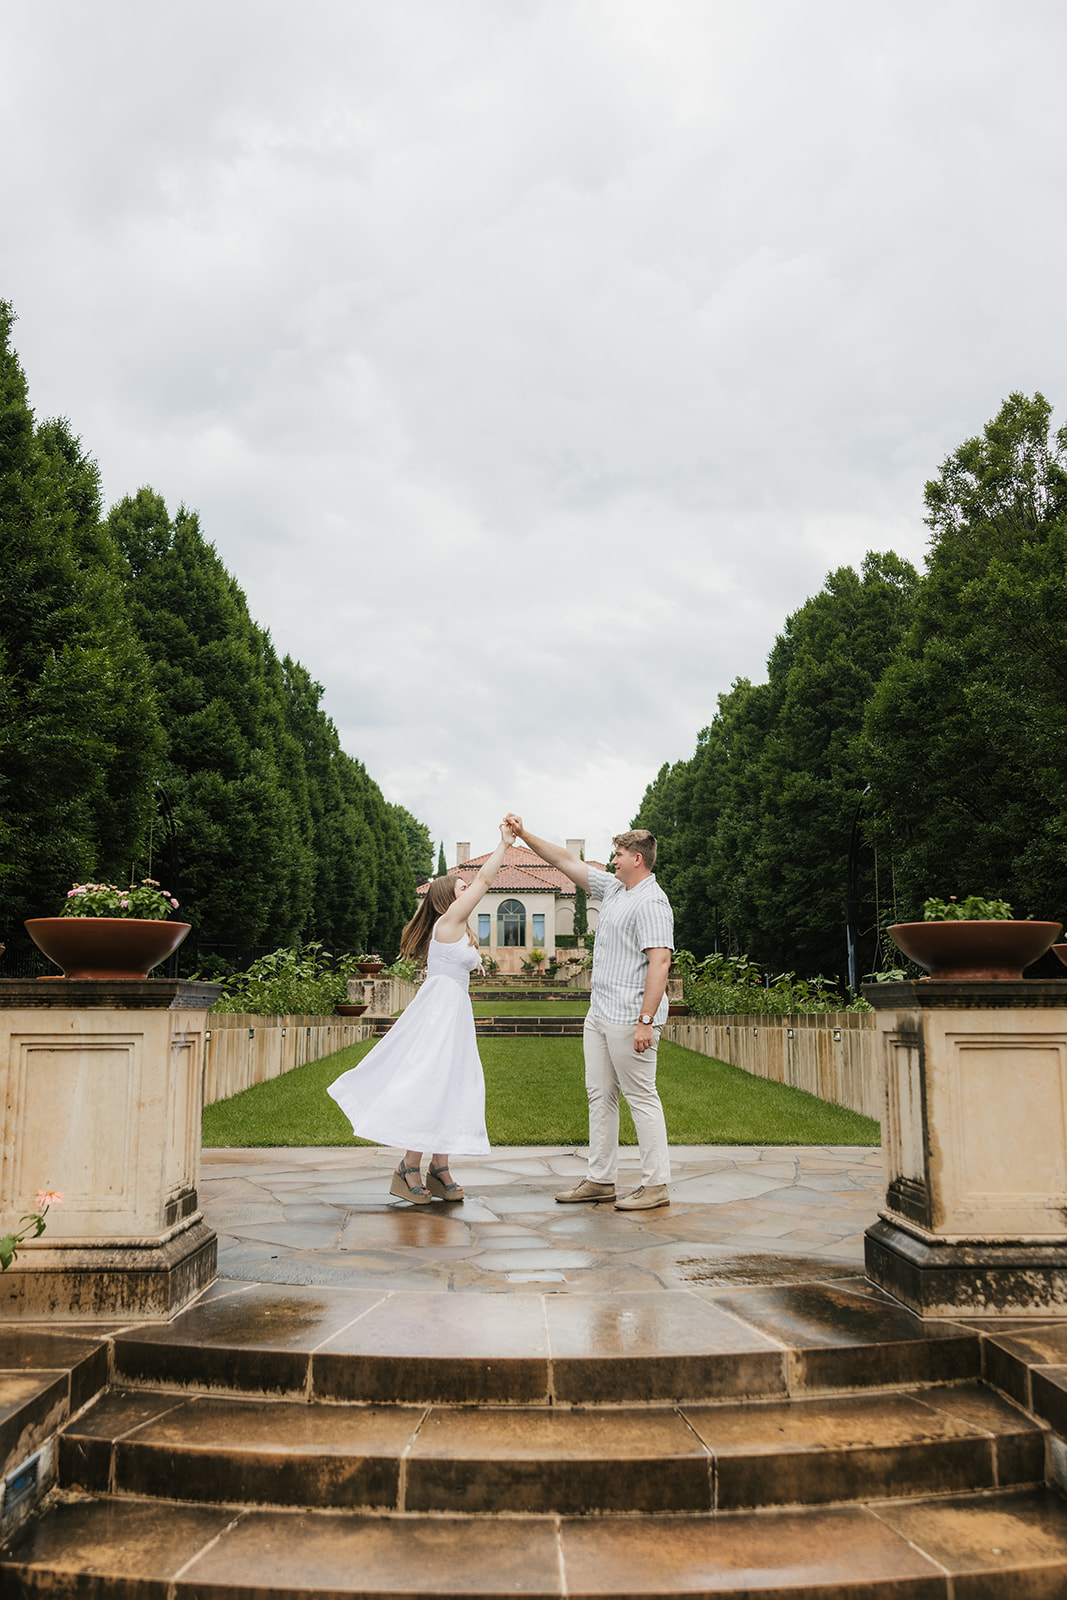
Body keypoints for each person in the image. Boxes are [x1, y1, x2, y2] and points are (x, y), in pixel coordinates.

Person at [327, 823, 516, 1204]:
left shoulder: (458, 930)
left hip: (454, 1012)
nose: (469, 891)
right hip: (440, 1013)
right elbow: (483, 879)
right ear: (448, 899)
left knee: (455, 1083)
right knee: (430, 1081)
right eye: (461, 890)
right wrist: (503, 844)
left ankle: (439, 1167)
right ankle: (408, 1166)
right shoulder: (447, 924)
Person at [504, 817, 673, 1210]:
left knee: (641, 1097)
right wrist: (525, 835)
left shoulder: (651, 901)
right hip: (599, 1013)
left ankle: (656, 1185)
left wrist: (645, 1021)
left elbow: (660, 962)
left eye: (616, 855)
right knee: (600, 1096)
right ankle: (600, 1179)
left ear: (636, 858)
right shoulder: (615, 889)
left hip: (631, 1016)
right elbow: (566, 861)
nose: (611, 861)